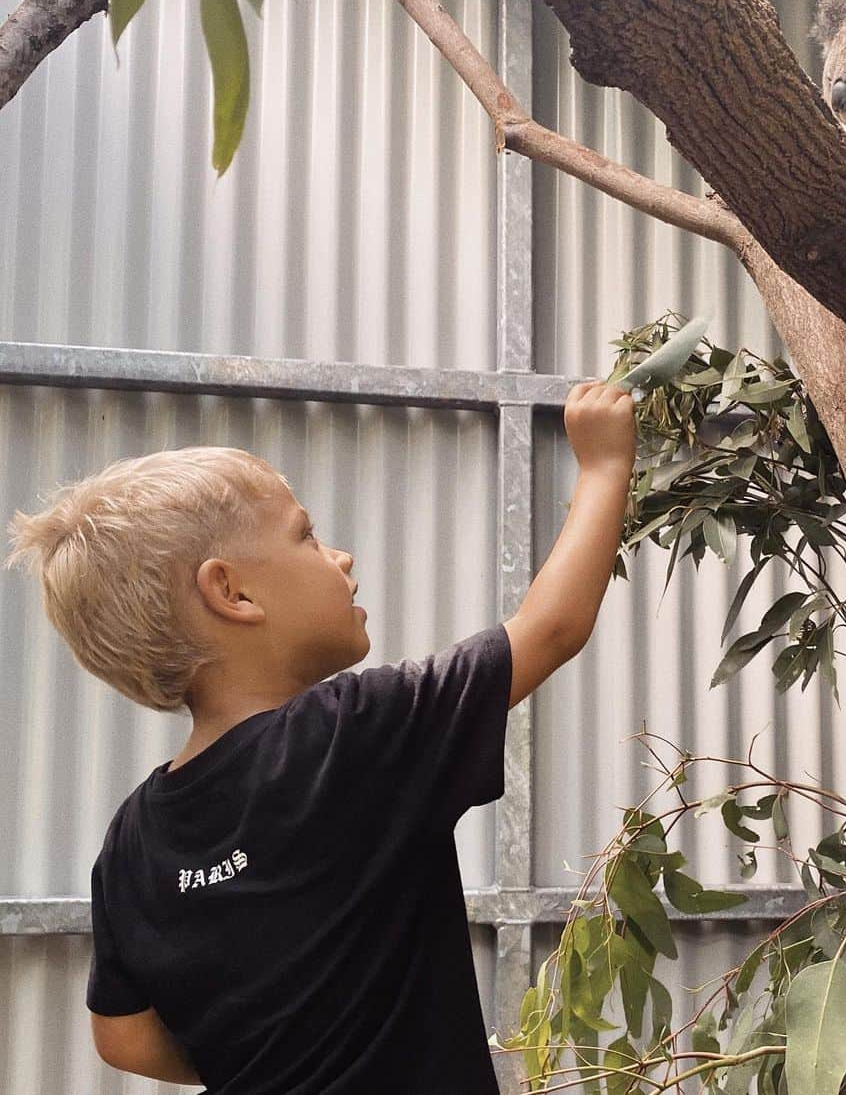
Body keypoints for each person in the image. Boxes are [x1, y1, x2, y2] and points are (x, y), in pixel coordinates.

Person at [4, 379, 637, 1094]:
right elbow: (549, 629)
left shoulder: (131, 842)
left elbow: (121, 1035)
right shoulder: (353, 733)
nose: (340, 556)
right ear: (232, 593)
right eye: (306, 533)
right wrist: (603, 465)